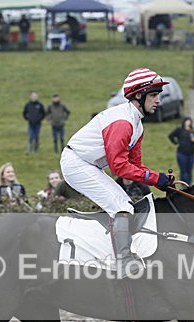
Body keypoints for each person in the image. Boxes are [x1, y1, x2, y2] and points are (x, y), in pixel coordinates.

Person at [59, 67, 172, 276]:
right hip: (76, 164)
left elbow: (135, 165)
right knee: (122, 206)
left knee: (124, 203)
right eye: (154, 95)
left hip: (88, 164)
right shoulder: (123, 123)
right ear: (139, 96)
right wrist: (155, 178)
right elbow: (118, 167)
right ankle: (123, 261)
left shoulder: (137, 125)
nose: (158, 100)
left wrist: (159, 180)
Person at [167, 116, 194, 185]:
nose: (188, 123)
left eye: (189, 122)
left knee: (189, 170)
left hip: (191, 154)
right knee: (183, 170)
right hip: (181, 154)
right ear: (184, 122)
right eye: (187, 121)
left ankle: (189, 185)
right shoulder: (179, 130)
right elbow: (170, 135)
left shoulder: (192, 131)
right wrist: (176, 143)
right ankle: (183, 185)